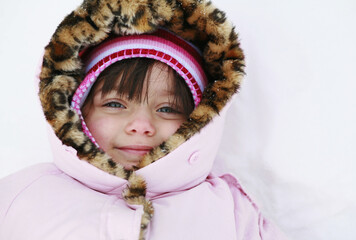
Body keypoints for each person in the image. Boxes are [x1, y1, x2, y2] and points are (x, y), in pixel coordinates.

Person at [0, 0, 288, 239]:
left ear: (199, 121)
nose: (141, 125)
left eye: (167, 109)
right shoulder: (24, 197)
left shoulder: (230, 210)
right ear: (77, 111)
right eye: (114, 104)